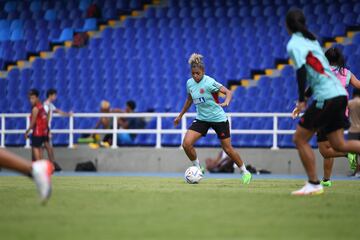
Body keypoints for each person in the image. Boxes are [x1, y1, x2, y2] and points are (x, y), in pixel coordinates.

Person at [286, 9, 360, 195]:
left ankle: (313, 183)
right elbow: (319, 74)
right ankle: (316, 182)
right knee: (339, 145)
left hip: (326, 98)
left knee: (299, 138)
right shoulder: (312, 41)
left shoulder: (294, 44)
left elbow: (301, 71)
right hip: (339, 96)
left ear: (288, 26)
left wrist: (302, 99)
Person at [174, 53, 252, 184]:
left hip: (218, 119)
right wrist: (180, 115)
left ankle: (245, 172)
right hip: (202, 119)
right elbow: (189, 99)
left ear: (203, 71)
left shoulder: (210, 82)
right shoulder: (189, 83)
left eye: (197, 73)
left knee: (227, 149)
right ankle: (198, 168)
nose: (195, 76)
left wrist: (227, 101)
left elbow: (228, 92)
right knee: (186, 144)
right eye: (193, 73)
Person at [292, 47, 360, 187]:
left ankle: (349, 155)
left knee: (325, 150)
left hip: (325, 109)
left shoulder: (323, 70)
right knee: (335, 145)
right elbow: (358, 85)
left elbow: (310, 90)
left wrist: (300, 106)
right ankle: (327, 180)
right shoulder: (346, 72)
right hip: (341, 111)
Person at [43, 88, 72, 171]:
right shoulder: (45, 106)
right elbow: (45, 118)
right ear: (50, 95)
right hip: (44, 128)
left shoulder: (50, 105)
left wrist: (67, 114)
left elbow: (58, 111)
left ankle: (52, 164)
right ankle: (51, 165)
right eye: (54, 95)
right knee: (45, 147)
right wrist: (47, 130)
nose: (55, 97)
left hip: (46, 128)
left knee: (48, 147)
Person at [25, 89, 49, 162]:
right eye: (30, 98)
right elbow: (46, 118)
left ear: (37, 97)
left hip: (37, 132)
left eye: (32, 98)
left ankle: (39, 166)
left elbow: (33, 123)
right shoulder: (41, 106)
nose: (31, 100)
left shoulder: (35, 108)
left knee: (35, 148)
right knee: (40, 149)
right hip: (43, 131)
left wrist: (27, 132)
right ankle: (39, 165)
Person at [348, 88, 360, 176]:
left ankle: (356, 171)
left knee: (353, 153)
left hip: (353, 130)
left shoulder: (350, 103)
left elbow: (345, 115)